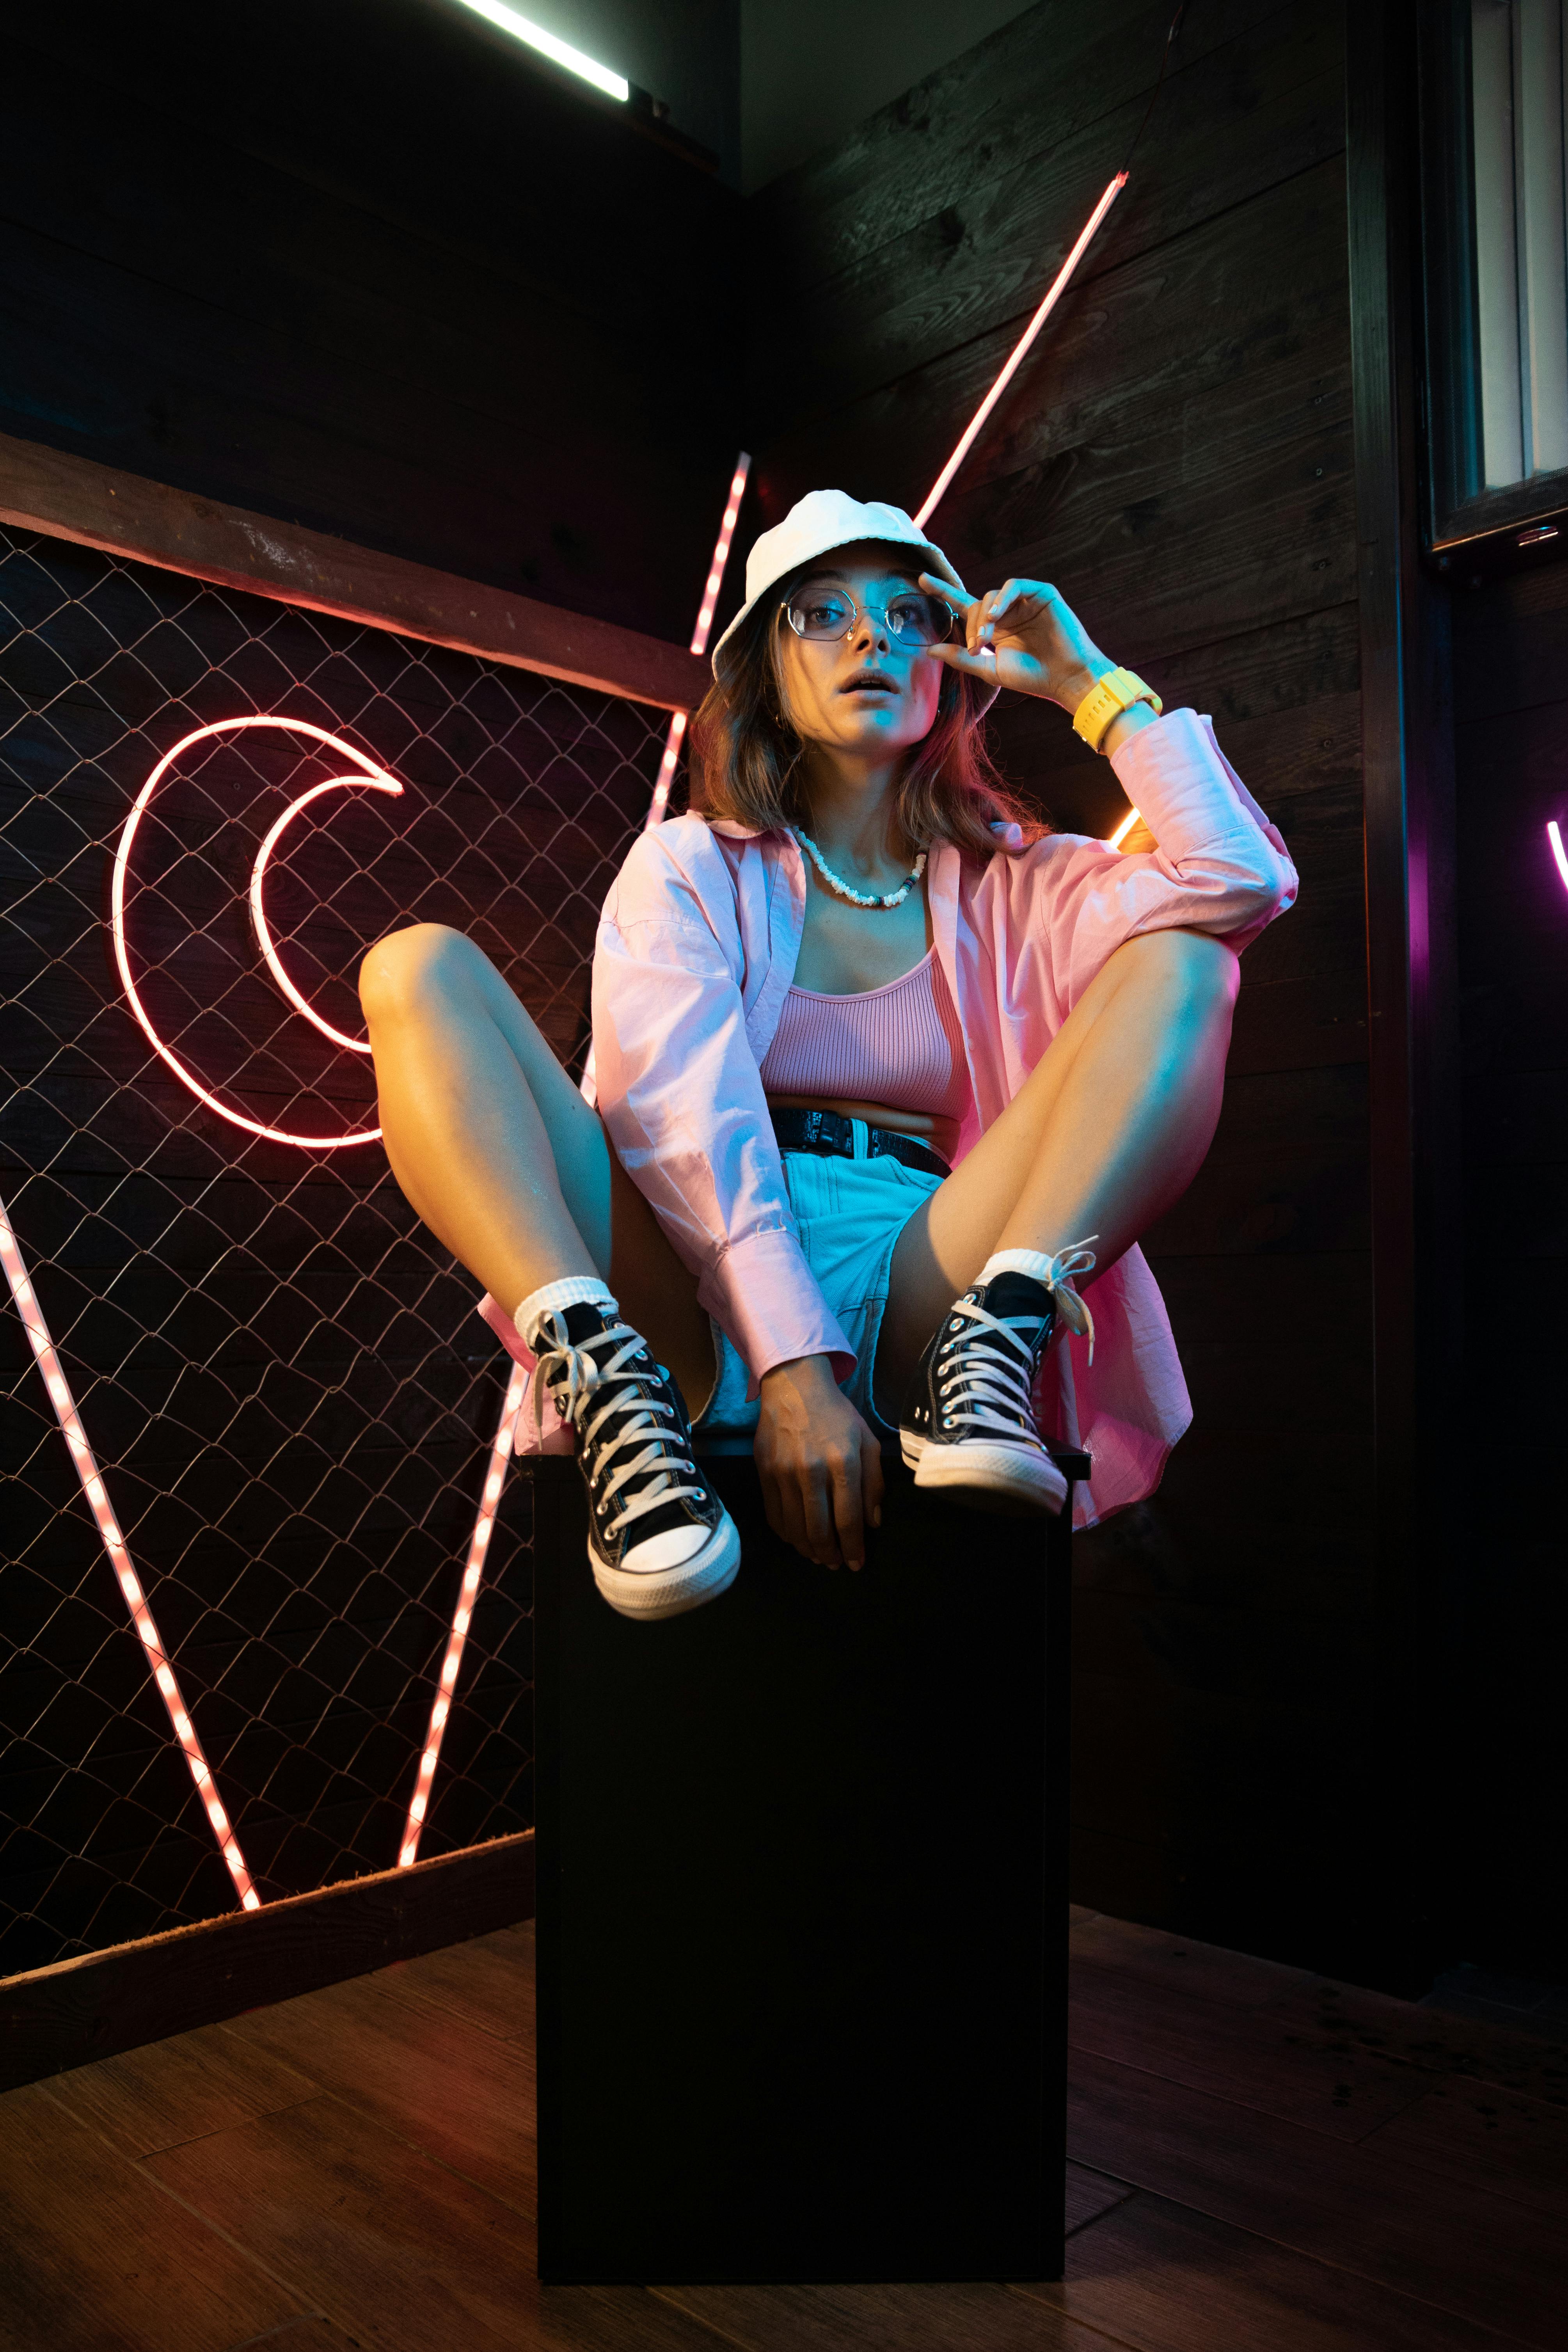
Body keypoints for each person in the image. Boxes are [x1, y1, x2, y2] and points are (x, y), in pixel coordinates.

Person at [359, 490, 1296, 1624]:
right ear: (764, 665)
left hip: (924, 1282)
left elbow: (1241, 882)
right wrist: (795, 1369)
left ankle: (999, 1331)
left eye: (908, 614)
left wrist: (1086, 682)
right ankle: (605, 1375)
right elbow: (683, 1119)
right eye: (822, 612)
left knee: (1188, 965)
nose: (870, 638)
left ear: (952, 660)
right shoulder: (689, 868)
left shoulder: (1019, 881)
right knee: (417, 969)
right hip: (686, 1282)